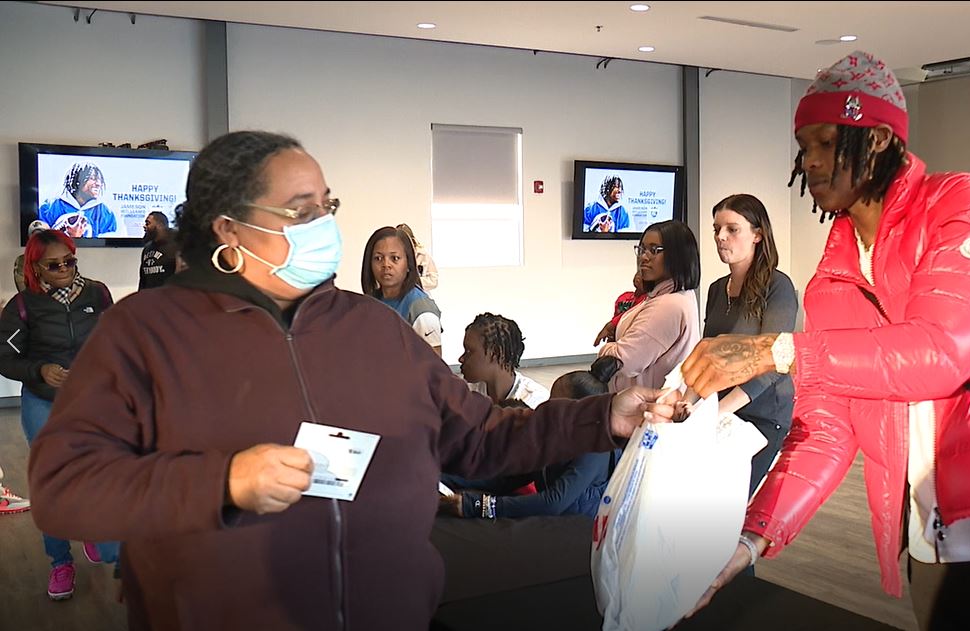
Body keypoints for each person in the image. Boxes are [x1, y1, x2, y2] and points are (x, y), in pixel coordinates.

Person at [25, 131, 674, 630]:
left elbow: (480, 440)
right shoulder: (146, 330)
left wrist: (601, 416)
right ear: (228, 228)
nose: (324, 222)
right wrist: (222, 482)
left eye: (325, 204)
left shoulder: (373, 327)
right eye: (299, 208)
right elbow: (64, 485)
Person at [677, 51, 970, 630]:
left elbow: (941, 351)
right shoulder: (832, 277)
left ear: (877, 140)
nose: (811, 162)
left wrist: (772, 349)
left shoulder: (961, 206)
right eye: (804, 147)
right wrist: (750, 540)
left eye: (825, 143)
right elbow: (826, 429)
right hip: (930, 535)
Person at [0, 228, 119, 600]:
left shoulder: (97, 294)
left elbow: (115, 339)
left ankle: (98, 536)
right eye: (55, 265)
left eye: (70, 260)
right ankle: (60, 562)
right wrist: (39, 371)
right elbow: (5, 358)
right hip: (44, 403)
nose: (65, 269)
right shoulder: (22, 306)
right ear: (37, 267)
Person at [444, 356, 623, 519]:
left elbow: (553, 502)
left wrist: (477, 506)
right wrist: (446, 476)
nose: (547, 409)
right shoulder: (554, 434)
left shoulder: (594, 451)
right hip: (558, 526)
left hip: (582, 537)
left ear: (583, 412)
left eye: (556, 403)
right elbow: (509, 477)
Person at [704, 194, 798, 495]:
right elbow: (708, 354)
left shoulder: (777, 286)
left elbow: (774, 363)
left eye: (732, 229)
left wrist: (720, 410)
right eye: (717, 229)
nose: (721, 237)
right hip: (722, 409)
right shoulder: (717, 289)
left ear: (757, 235)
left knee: (730, 504)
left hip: (763, 413)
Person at [598, 220, 700, 391]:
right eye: (642, 249)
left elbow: (626, 360)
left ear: (677, 255)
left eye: (654, 250)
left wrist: (607, 348)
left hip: (645, 409)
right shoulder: (672, 295)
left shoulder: (668, 305)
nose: (644, 257)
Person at [362, 225, 443, 356]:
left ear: (409, 263)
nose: (386, 265)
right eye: (378, 258)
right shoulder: (372, 303)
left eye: (395, 258)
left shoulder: (420, 309)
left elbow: (434, 371)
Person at [458, 312, 549, 408]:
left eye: (469, 351)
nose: (461, 359)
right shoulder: (466, 393)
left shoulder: (536, 402)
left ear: (496, 353)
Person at [37, 162, 118, 238]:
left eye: (99, 180)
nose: (98, 184)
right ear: (77, 180)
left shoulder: (106, 213)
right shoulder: (50, 207)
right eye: (92, 178)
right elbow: (40, 242)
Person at [593, 271, 649, 346]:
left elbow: (631, 314)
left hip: (630, 340)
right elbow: (616, 315)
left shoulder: (646, 300)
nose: (639, 276)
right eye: (639, 273)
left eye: (644, 275)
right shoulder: (624, 296)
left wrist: (610, 326)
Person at [138, 210, 179, 290]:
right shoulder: (147, 248)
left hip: (170, 298)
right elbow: (143, 281)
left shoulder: (176, 245)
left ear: (160, 225)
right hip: (150, 299)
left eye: (148, 223)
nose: (144, 226)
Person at [397, 223, 439, 292]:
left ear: (412, 240)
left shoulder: (423, 255)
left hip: (419, 295)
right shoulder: (392, 257)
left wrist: (413, 282)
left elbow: (433, 280)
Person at [13, 220, 50, 292]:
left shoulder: (58, 257)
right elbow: (23, 289)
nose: (37, 240)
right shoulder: (22, 261)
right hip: (33, 301)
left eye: (41, 236)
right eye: (34, 237)